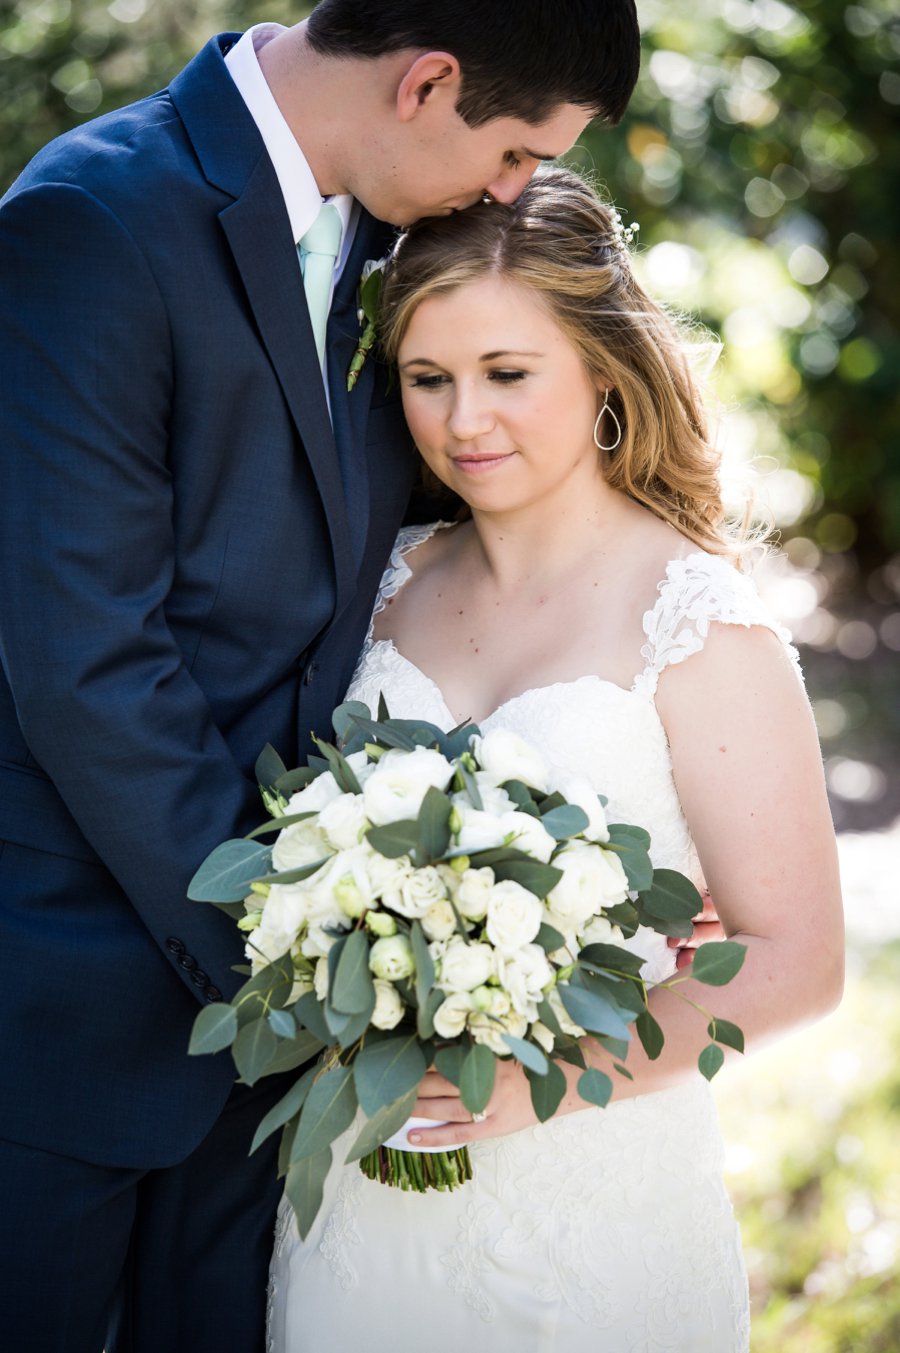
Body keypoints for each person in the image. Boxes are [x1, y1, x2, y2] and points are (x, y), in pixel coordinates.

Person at [0, 4, 641, 1350]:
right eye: (519, 152)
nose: (517, 191)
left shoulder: (385, 241)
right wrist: (289, 956)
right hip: (66, 1013)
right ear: (430, 81)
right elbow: (85, 660)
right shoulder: (92, 221)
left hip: (286, 1071)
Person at [266, 165, 844, 1351]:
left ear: (603, 373)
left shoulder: (696, 621)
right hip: (358, 1207)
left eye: (507, 375)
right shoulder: (383, 586)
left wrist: (550, 1077)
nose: (463, 421)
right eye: (428, 379)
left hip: (590, 1204)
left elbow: (796, 959)